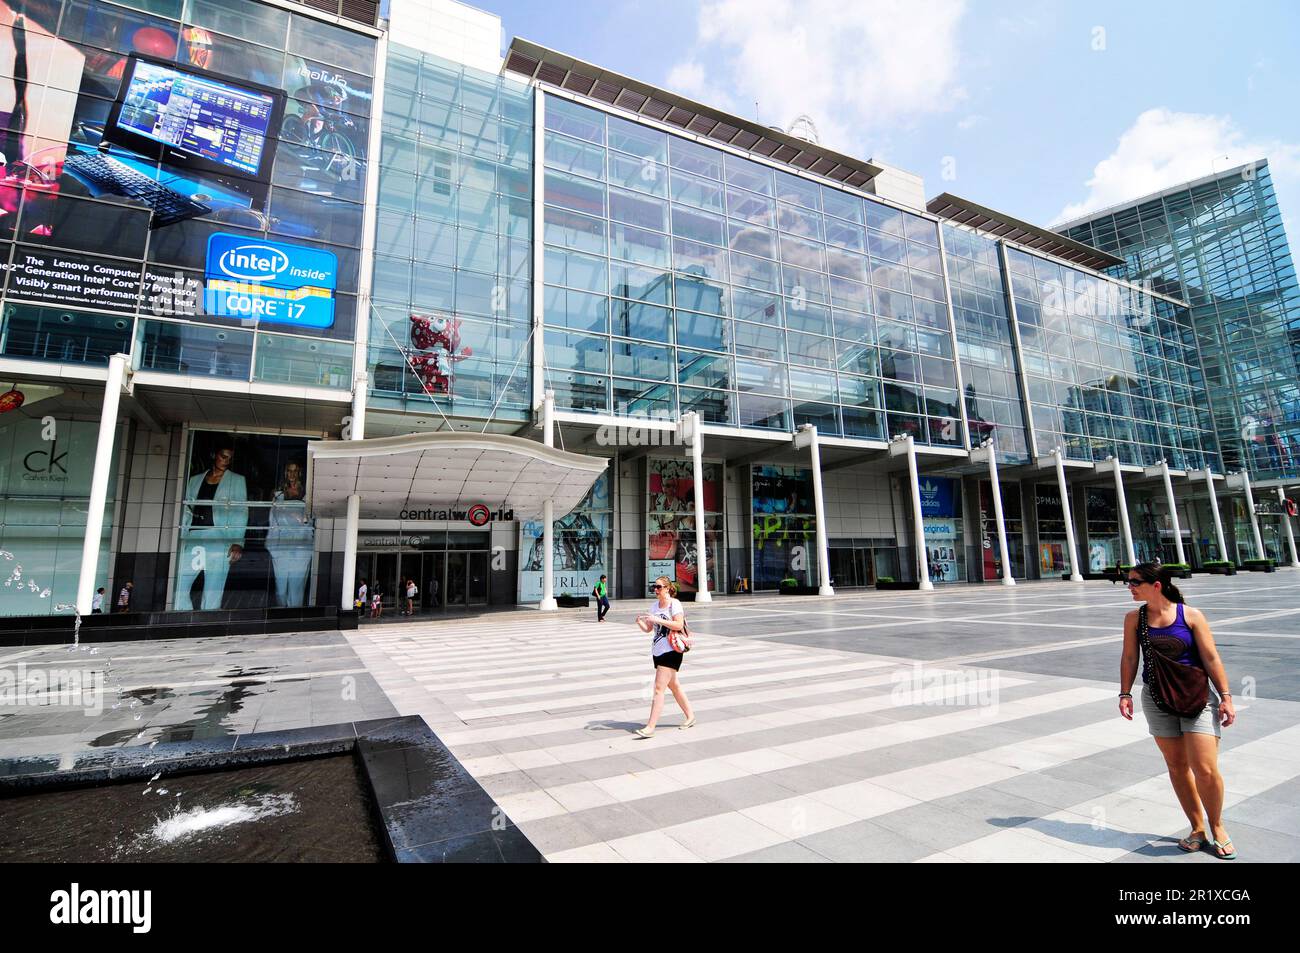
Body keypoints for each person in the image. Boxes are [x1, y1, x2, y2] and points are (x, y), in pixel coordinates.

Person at [1119, 562, 1238, 860]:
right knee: (1176, 766)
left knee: (1206, 769)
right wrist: (1124, 692)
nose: (1129, 587)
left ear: (1156, 585)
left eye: (1134, 582)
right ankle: (1197, 828)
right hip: (1157, 698)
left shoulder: (1191, 615)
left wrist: (1225, 696)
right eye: (1128, 582)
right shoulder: (1135, 619)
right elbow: (1130, 656)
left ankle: (1218, 826)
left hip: (1196, 698)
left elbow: (1211, 657)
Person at [175, 445, 248, 611]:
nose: (226, 461)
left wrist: (237, 541)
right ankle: (184, 620)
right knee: (178, 585)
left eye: (229, 458)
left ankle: (206, 627)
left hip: (218, 537)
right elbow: (186, 509)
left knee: (213, 591)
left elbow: (241, 511)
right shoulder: (195, 480)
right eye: (223, 456)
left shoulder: (237, 480)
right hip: (193, 537)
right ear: (215, 455)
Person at [632, 576, 695, 738]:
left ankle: (650, 727)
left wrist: (658, 619)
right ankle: (690, 716)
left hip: (672, 650)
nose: (656, 590)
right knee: (674, 686)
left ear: (667, 588)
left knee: (659, 689)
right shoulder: (654, 606)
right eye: (655, 587)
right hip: (658, 650)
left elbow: (678, 625)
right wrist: (640, 622)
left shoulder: (675, 604)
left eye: (659, 587)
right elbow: (649, 629)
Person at [266, 460, 312, 608]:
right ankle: (281, 618)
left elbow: (310, 521)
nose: (292, 474)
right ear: (285, 473)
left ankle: (294, 617)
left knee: (296, 588)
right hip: (281, 545)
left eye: (295, 470)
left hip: (301, 546)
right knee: (280, 589)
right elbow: (272, 522)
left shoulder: (307, 494)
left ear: (299, 473)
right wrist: (272, 547)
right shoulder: (277, 494)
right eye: (289, 470)